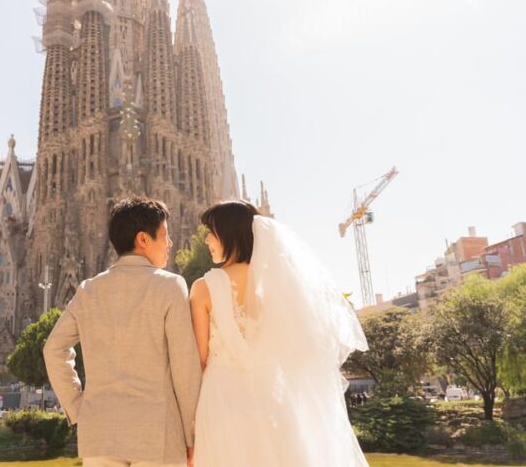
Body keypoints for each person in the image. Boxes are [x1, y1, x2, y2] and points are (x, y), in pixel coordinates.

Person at [190, 200, 369, 466]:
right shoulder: (277, 285)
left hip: (221, 398)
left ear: (228, 235)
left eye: (211, 233)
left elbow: (200, 358)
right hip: (272, 398)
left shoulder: (203, 288)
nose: (206, 240)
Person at [44, 197, 202, 467]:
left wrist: (78, 407)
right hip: (157, 435)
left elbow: (53, 349)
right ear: (143, 239)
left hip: (99, 432)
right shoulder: (170, 287)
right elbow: (185, 369)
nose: (170, 244)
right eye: (164, 235)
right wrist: (192, 436)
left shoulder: (88, 290)